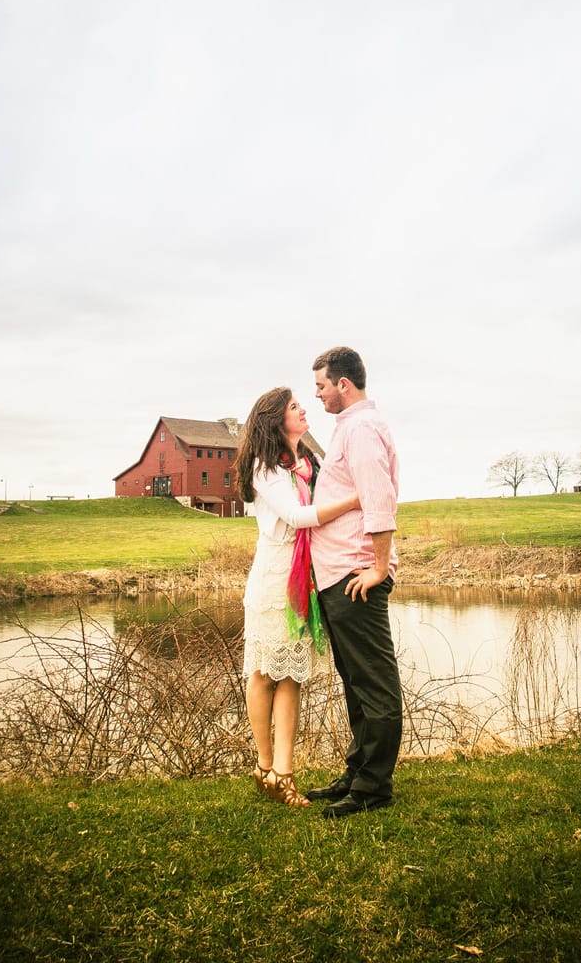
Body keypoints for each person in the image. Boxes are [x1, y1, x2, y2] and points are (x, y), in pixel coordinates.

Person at [235, 386, 360, 809]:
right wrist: (353, 501)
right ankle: (264, 765)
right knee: (264, 672)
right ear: (275, 419)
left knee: (292, 675)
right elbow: (296, 516)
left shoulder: (307, 464)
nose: (303, 409)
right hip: (273, 575)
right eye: (293, 407)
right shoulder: (264, 467)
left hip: (303, 575)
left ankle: (285, 775)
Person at [306, 346, 402, 819]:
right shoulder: (348, 427)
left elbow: (379, 497)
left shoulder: (362, 428)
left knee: (374, 684)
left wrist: (379, 568)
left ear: (344, 383)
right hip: (340, 575)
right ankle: (358, 773)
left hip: (356, 573)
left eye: (321, 386)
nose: (318, 395)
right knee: (355, 682)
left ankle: (373, 788)